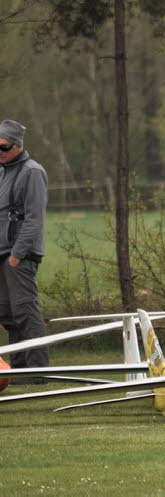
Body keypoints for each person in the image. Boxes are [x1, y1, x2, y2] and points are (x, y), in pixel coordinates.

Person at [0, 119, 49, 380]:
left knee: (25, 311)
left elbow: (34, 220)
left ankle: (39, 371)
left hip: (19, 255)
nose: (0, 152)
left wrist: (17, 255)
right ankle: (19, 368)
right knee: (7, 314)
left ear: (18, 146)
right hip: (3, 253)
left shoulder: (32, 172)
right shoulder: (3, 170)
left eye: (4, 147)